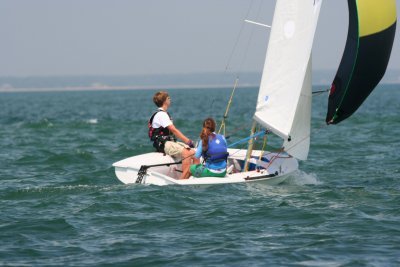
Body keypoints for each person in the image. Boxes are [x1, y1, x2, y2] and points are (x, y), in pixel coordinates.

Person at [148, 91, 199, 179]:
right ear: (164, 101)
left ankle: (194, 176)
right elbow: (173, 130)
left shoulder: (163, 114)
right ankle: (183, 180)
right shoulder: (161, 115)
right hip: (162, 144)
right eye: (168, 98)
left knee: (194, 154)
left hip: (169, 142)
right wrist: (188, 141)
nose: (170, 100)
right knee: (187, 154)